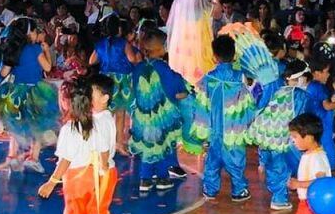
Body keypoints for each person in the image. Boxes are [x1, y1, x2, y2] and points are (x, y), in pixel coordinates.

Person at [37, 79, 111, 214]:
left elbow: (66, 160)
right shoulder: (92, 123)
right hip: (89, 176)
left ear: (67, 103)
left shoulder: (70, 129)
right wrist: (103, 167)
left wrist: (51, 182)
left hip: (76, 180)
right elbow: (103, 148)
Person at [0, 17, 59, 173]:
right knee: (37, 125)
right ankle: (33, 158)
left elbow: (4, 72)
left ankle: (11, 156)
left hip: (16, 91)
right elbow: (48, 68)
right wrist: (46, 51)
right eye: (36, 31)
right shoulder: (35, 49)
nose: (38, 34)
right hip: (34, 91)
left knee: (16, 125)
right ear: (29, 33)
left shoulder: (13, 49)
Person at [130, 29, 188, 192]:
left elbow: (134, 89)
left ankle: (145, 179)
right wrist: (187, 92)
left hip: (142, 118)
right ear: (160, 48)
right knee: (163, 145)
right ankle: (163, 177)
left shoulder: (138, 68)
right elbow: (177, 91)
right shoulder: (164, 69)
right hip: (161, 118)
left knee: (148, 146)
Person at [248, 59, 311, 210]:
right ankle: (282, 197)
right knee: (296, 166)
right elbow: (303, 118)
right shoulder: (300, 95)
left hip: (269, 138)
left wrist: (262, 159)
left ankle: (279, 195)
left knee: (276, 168)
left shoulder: (277, 91)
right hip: (289, 139)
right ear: (301, 78)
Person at [200, 35, 256, 202]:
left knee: (213, 159)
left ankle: (210, 189)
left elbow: (202, 104)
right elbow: (249, 101)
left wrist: (203, 127)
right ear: (234, 55)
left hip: (214, 127)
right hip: (235, 128)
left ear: (215, 56)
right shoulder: (241, 76)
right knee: (236, 159)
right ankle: (239, 190)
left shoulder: (208, 78)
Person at [88, 14, 137, 155]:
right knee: (120, 114)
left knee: (103, 113)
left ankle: (100, 144)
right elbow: (132, 59)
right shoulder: (123, 43)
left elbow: (92, 61)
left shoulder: (101, 43)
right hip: (122, 82)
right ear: (119, 29)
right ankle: (119, 144)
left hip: (106, 81)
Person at [90, 74, 123, 214]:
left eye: (92, 95)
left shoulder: (101, 121)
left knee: (96, 207)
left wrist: (102, 166)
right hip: (102, 169)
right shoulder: (103, 116)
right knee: (98, 205)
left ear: (105, 98)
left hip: (104, 170)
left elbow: (103, 146)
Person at [306, 47, 335, 168]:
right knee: (327, 149)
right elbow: (327, 106)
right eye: (326, 72)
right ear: (317, 72)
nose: (328, 74)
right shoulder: (319, 87)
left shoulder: (312, 85)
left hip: (316, 122)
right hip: (323, 123)